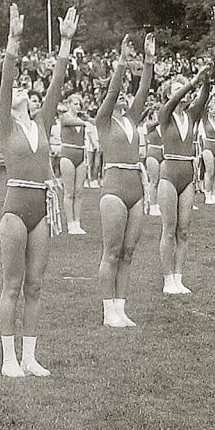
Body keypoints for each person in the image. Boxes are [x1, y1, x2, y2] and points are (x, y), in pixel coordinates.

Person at [0, 3, 78, 377]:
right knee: (11, 285)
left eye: (26, 91)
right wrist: (13, 41)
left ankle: (30, 355)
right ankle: (8, 357)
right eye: (17, 93)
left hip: (41, 210)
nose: (21, 93)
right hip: (15, 210)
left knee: (36, 285)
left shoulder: (42, 123)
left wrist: (64, 43)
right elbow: (7, 82)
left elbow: (57, 85)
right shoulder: (4, 126)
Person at [95, 34, 154, 327]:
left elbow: (144, 87)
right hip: (114, 189)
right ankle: (108, 311)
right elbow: (114, 90)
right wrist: (121, 60)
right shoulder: (103, 120)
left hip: (135, 188)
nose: (121, 96)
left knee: (128, 252)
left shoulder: (132, 118)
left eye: (123, 95)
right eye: (115, 95)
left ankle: (121, 307)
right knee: (113, 250)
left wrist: (148, 59)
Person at [157, 64, 212, 294]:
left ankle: (179, 277)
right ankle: (167, 279)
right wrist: (191, 83)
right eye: (177, 89)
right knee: (169, 229)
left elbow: (204, 97)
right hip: (169, 174)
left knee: (184, 230)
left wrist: (207, 79)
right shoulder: (165, 114)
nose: (184, 93)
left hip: (187, 176)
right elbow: (173, 101)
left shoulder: (189, 116)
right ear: (170, 93)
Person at [57, 94, 89, 234]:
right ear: (68, 104)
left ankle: (77, 222)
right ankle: (70, 224)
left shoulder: (80, 120)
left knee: (79, 191)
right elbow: (72, 122)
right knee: (69, 192)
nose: (78, 107)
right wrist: (87, 121)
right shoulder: (65, 117)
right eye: (75, 104)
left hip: (81, 155)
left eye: (79, 104)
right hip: (68, 154)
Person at [198, 95, 215, 205]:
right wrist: (210, 95)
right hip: (207, 146)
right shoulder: (205, 120)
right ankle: (207, 195)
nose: (214, 112)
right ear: (208, 111)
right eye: (212, 110)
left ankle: (213, 195)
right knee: (209, 171)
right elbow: (203, 106)